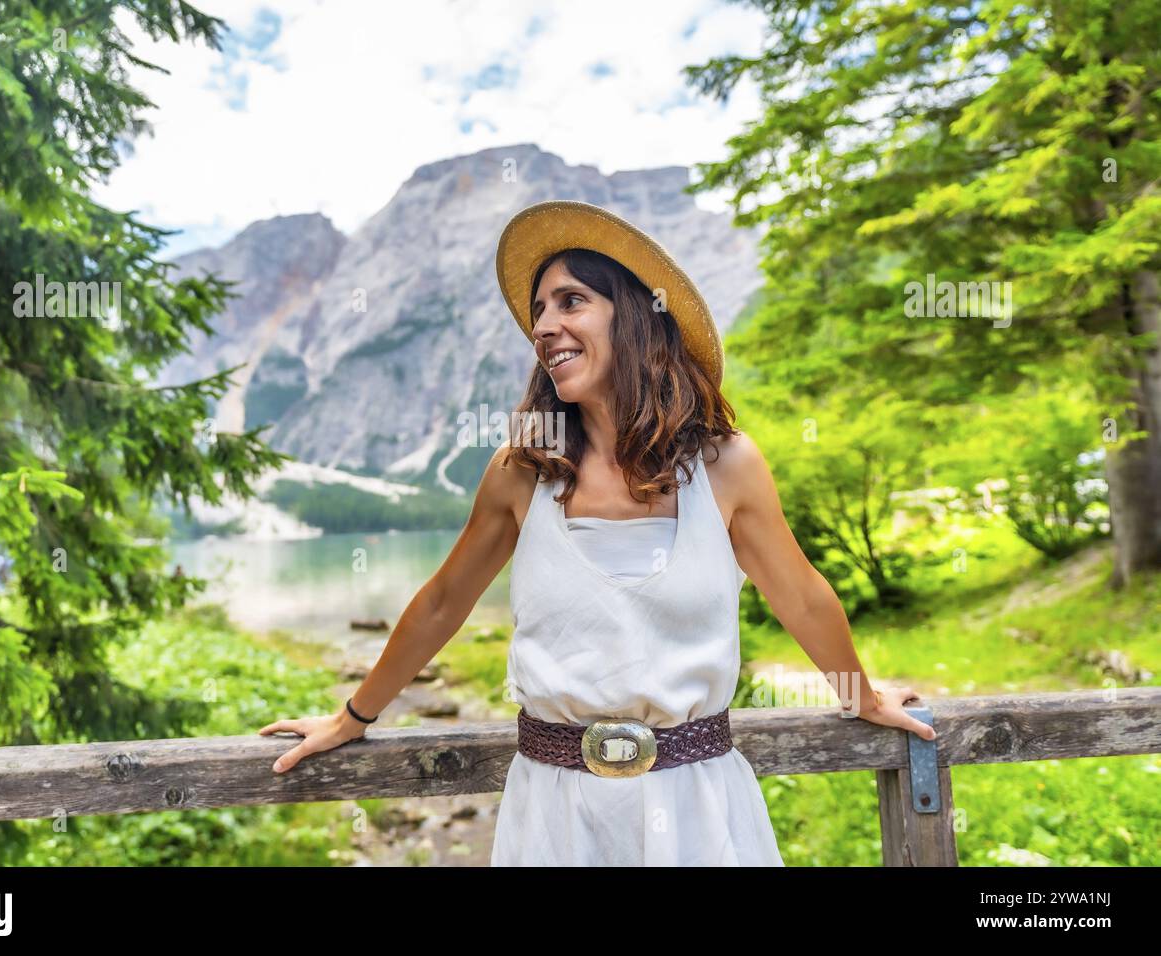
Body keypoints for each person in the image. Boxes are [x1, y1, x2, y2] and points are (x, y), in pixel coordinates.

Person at [258, 199, 937, 866]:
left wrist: (863, 697)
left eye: (571, 301)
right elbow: (443, 602)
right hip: (554, 813)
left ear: (639, 317)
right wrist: (352, 718)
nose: (544, 327)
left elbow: (801, 596)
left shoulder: (726, 465)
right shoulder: (522, 470)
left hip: (698, 804)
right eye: (539, 312)